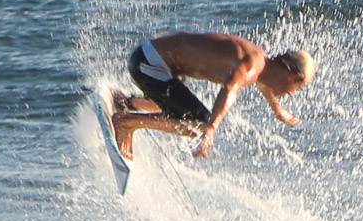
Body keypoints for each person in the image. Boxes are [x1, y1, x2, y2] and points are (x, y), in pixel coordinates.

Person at [111, 32, 315, 159]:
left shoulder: (262, 62)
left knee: (174, 105)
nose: (291, 93)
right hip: (149, 64)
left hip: (147, 57)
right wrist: (211, 129)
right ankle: (127, 122)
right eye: (297, 87)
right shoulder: (253, 66)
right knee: (197, 125)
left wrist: (278, 109)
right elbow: (230, 89)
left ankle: (128, 102)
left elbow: (264, 84)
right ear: (291, 75)